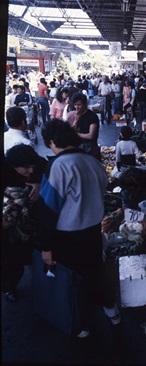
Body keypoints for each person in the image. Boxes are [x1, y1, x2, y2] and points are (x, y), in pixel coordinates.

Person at [35, 120, 121, 337]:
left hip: (67, 237)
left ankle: (82, 324)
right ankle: (112, 312)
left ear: (53, 141)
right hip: (93, 231)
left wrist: (45, 247)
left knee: (74, 281)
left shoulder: (58, 166)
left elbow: (48, 209)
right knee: (95, 273)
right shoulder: (93, 162)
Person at [2, 144, 47, 302]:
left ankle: (39, 285)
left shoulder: (33, 164)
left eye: (31, 167)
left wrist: (36, 181)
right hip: (12, 233)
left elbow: (41, 163)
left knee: (33, 257)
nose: (31, 171)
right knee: (14, 265)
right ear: (14, 166)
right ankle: (10, 288)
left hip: (29, 223)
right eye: (26, 168)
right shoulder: (6, 174)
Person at [66, 92, 101, 161]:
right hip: (79, 147)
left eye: (79, 105)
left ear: (85, 104)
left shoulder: (92, 116)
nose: (77, 107)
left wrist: (77, 134)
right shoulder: (76, 115)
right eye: (75, 105)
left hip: (91, 148)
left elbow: (91, 136)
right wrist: (75, 120)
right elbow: (71, 132)